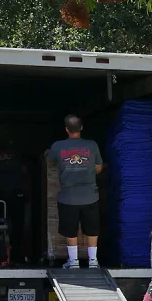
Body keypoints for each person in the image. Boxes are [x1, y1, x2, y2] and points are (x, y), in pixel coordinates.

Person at [47, 114, 104, 269]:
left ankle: (73, 262)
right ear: (81, 128)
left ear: (66, 129)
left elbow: (50, 161)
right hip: (90, 196)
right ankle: (93, 261)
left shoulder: (58, 146)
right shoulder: (92, 145)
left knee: (70, 229)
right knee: (92, 229)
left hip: (68, 197)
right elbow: (99, 168)